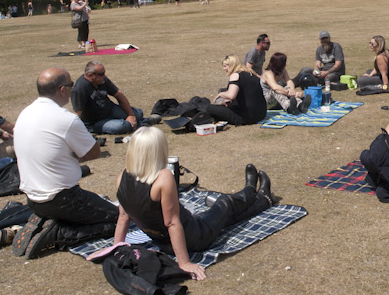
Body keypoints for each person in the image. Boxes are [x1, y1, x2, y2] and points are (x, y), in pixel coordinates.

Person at [114, 127, 275, 280]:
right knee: (225, 203)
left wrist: (116, 248)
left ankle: (263, 201)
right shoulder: (163, 177)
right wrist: (184, 263)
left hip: (163, 242)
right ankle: (250, 190)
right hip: (194, 237)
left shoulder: (122, 175)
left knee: (225, 218)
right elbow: (172, 223)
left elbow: (123, 216)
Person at [13, 68, 118, 259]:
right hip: (62, 198)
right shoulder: (66, 119)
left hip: (32, 198)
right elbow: (93, 152)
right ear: (62, 89)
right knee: (119, 220)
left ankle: (47, 220)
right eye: (71, 86)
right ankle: (59, 233)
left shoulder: (25, 112)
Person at [70, 61, 152, 134]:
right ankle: (141, 123)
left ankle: (138, 121)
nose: (104, 76)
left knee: (138, 114)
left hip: (110, 110)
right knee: (121, 126)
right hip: (95, 121)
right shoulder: (80, 88)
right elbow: (77, 113)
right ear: (90, 75)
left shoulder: (102, 80)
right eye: (101, 74)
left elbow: (119, 94)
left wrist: (131, 115)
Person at [207, 55, 267, 126]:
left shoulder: (235, 75)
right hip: (261, 114)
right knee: (224, 91)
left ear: (232, 65)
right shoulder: (251, 73)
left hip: (247, 117)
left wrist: (220, 95)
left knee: (208, 107)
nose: (224, 69)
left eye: (225, 66)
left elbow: (231, 95)